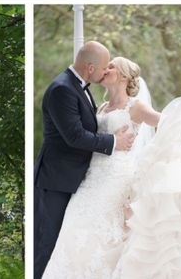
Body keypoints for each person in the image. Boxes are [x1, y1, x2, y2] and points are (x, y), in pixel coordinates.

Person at [41, 57, 158, 278]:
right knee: (73, 228)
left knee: (102, 233)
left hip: (115, 178)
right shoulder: (102, 107)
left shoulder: (136, 106)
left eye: (111, 66)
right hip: (90, 177)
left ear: (123, 76)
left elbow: (162, 121)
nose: (106, 69)